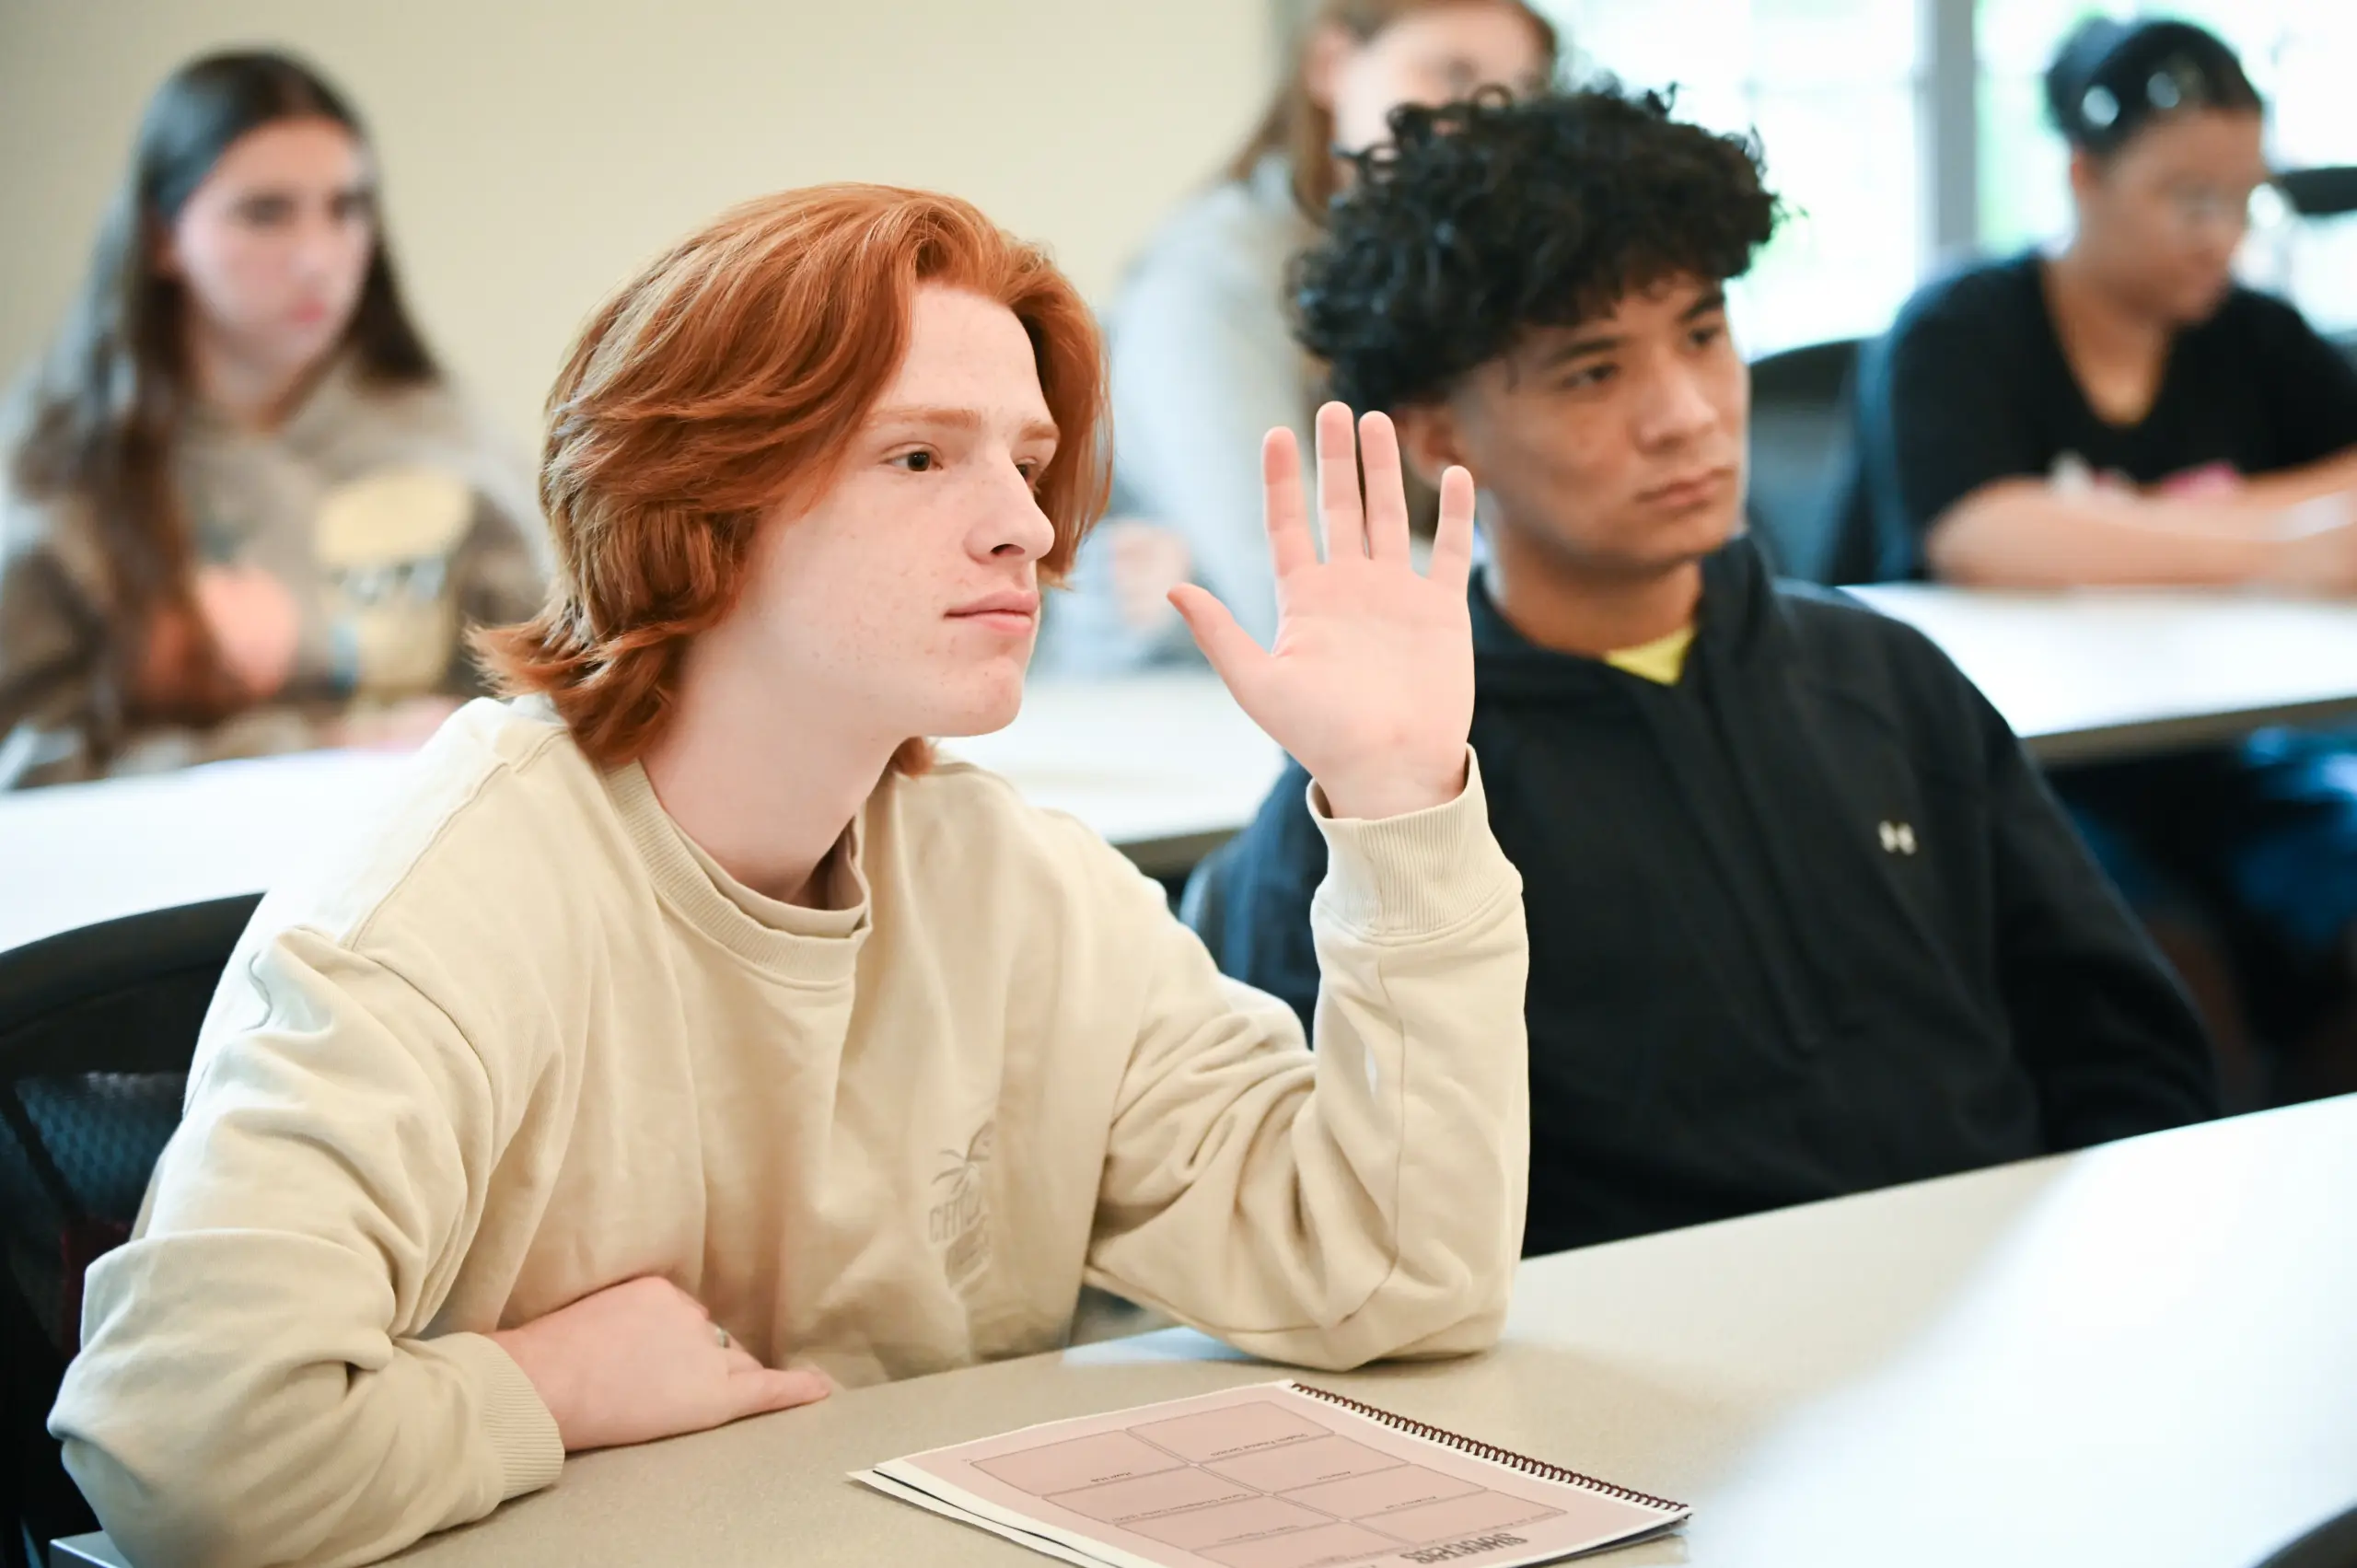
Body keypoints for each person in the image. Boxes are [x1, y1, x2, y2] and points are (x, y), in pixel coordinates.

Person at [48, 183, 1529, 1566]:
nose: (1026, 520)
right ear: (705, 504)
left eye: (1024, 459)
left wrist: (1399, 805)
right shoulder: (447, 900)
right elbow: (181, 1444)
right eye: (919, 456)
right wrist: (535, 1387)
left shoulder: (1019, 887)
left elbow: (1397, 1273)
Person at [1198, 87, 2219, 1259]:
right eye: (1592, 372)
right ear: (1437, 434)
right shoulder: (1399, 796)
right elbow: (1335, 1219)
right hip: (1635, 1402)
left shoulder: (1879, 679)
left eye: (1701, 332)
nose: (1686, 415)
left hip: (1984, 1337)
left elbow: (2123, 1052)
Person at [1852, 16, 2357, 1100]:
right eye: (2186, 198)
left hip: (2221, 750)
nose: (2218, 234)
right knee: (2163, 975)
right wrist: (2274, 542)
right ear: (2084, 175)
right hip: (2016, 770)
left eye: (2242, 200)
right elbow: (1980, 532)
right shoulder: (1961, 327)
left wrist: (2125, 531)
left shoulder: (2256, 336)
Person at [0, 50, 543, 789]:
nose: (318, 256)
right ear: (163, 237)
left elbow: (542, 697)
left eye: (348, 209)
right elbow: (30, 768)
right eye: (265, 213)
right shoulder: (58, 462)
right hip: (160, 881)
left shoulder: (447, 435)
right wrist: (311, 750)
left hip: (422, 854)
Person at [1038, 0, 1557, 673]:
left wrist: (1207, 569)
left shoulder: (1460, 268)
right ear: (1331, 63)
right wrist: (1577, 588)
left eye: (1519, 97)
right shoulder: (1210, 280)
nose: (1487, 125)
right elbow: (1297, 596)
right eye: (1451, 74)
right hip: (1161, 732)